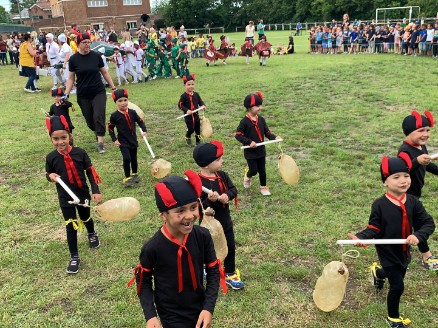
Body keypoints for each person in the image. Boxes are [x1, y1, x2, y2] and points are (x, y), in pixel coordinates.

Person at [347, 154, 435, 328]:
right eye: (396, 177)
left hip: (404, 250)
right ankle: (393, 318)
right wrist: (361, 237)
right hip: (387, 250)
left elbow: (428, 223)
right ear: (385, 182)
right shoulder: (379, 205)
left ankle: (377, 273)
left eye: (406, 176)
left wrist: (418, 235)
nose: (403, 180)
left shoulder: (413, 202)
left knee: (395, 273)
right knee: (398, 286)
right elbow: (374, 228)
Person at [127, 171, 224, 328]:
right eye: (180, 211)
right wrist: (150, 316)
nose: (190, 215)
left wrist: (208, 308)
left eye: (193, 207)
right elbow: (143, 282)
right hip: (170, 313)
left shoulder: (203, 236)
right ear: (163, 215)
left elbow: (213, 272)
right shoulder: (153, 248)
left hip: (199, 306)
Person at [45, 115, 102, 274]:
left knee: (85, 217)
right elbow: (48, 173)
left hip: (82, 192)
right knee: (70, 224)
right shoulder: (51, 157)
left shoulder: (80, 153)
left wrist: (95, 191)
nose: (60, 142)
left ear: (70, 136)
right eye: (56, 139)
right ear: (51, 139)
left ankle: (91, 233)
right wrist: (50, 176)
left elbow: (90, 172)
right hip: (66, 198)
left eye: (63, 137)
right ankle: (74, 256)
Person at [193, 141, 245, 290]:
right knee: (208, 248)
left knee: (229, 246)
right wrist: (209, 200)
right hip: (208, 225)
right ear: (206, 165)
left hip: (225, 222)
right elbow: (197, 205)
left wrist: (227, 196)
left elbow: (233, 189)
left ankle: (230, 273)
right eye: (218, 159)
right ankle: (206, 267)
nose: (221, 161)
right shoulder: (198, 183)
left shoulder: (222, 175)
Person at [397, 110, 438, 271]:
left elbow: (428, 165)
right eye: (421, 130)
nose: (425, 134)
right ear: (409, 132)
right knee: (421, 223)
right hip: (406, 195)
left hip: (415, 193)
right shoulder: (404, 150)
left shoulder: (421, 146)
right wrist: (416, 161)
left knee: (408, 224)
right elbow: (401, 170)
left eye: (427, 130)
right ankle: (427, 256)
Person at [64, 33, 117, 154]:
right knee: (90, 120)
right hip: (83, 94)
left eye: (89, 42)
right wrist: (66, 93)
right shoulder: (73, 59)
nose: (87, 44)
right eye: (84, 42)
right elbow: (71, 78)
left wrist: (113, 86)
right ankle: (97, 132)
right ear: (79, 44)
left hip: (98, 91)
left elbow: (104, 72)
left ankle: (100, 142)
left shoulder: (96, 56)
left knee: (98, 116)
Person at [235, 92, 281, 196]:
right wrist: (249, 142)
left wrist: (275, 137)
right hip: (250, 152)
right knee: (254, 171)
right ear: (249, 107)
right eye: (257, 106)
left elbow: (267, 132)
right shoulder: (244, 122)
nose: (260, 108)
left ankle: (263, 187)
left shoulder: (261, 120)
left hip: (261, 150)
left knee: (262, 170)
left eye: (260, 105)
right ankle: (248, 175)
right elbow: (238, 135)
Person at [108, 89, 147, 187]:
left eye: (125, 100)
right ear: (116, 102)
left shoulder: (133, 112)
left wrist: (144, 130)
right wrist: (114, 139)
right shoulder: (114, 116)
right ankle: (127, 177)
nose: (123, 103)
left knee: (134, 158)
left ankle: (134, 174)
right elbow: (110, 128)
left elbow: (140, 121)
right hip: (123, 141)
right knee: (127, 158)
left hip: (133, 140)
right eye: (120, 101)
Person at [178, 74, 206, 146]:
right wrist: (186, 110)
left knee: (197, 129)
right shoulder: (183, 96)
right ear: (185, 85)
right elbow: (180, 105)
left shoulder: (196, 94)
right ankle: (188, 136)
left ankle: (198, 141)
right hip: (188, 117)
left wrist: (203, 105)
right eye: (189, 84)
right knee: (191, 129)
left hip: (196, 115)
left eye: (192, 84)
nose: (191, 86)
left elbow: (200, 101)